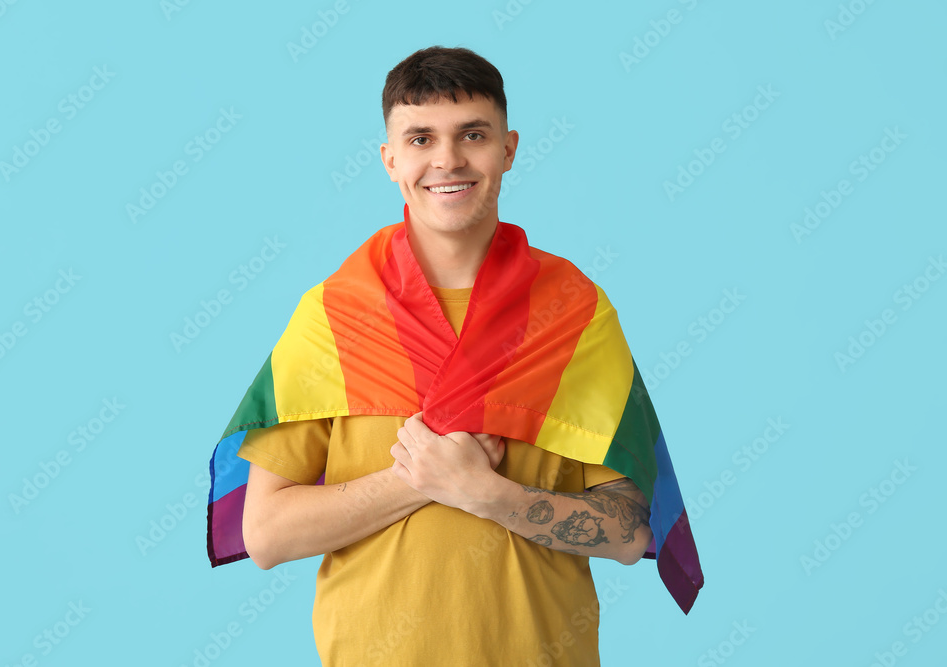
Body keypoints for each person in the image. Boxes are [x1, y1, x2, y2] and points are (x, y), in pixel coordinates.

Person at [207, 45, 701, 667]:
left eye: (472, 134)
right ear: (389, 160)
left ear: (509, 149)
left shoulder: (574, 312)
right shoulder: (335, 313)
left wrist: (486, 493)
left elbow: (630, 532)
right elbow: (268, 534)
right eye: (420, 139)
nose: (447, 159)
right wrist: (417, 480)